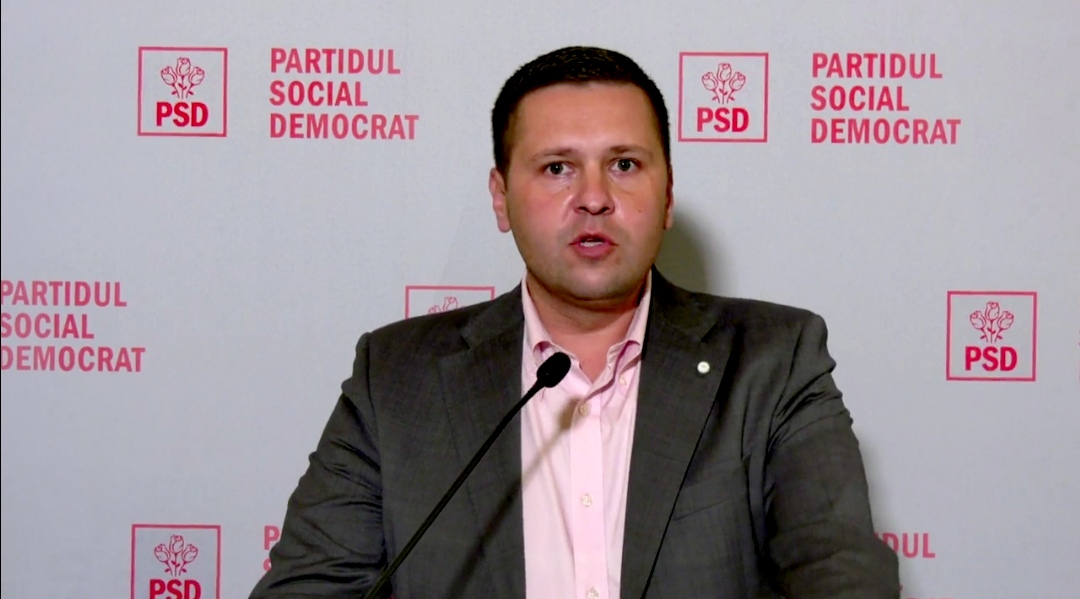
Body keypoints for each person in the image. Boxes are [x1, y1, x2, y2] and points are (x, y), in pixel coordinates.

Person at [249, 46, 900, 599]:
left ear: (667, 195)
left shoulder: (773, 362)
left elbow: (841, 576)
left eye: (624, 164)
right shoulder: (396, 378)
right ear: (501, 197)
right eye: (557, 167)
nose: (593, 198)